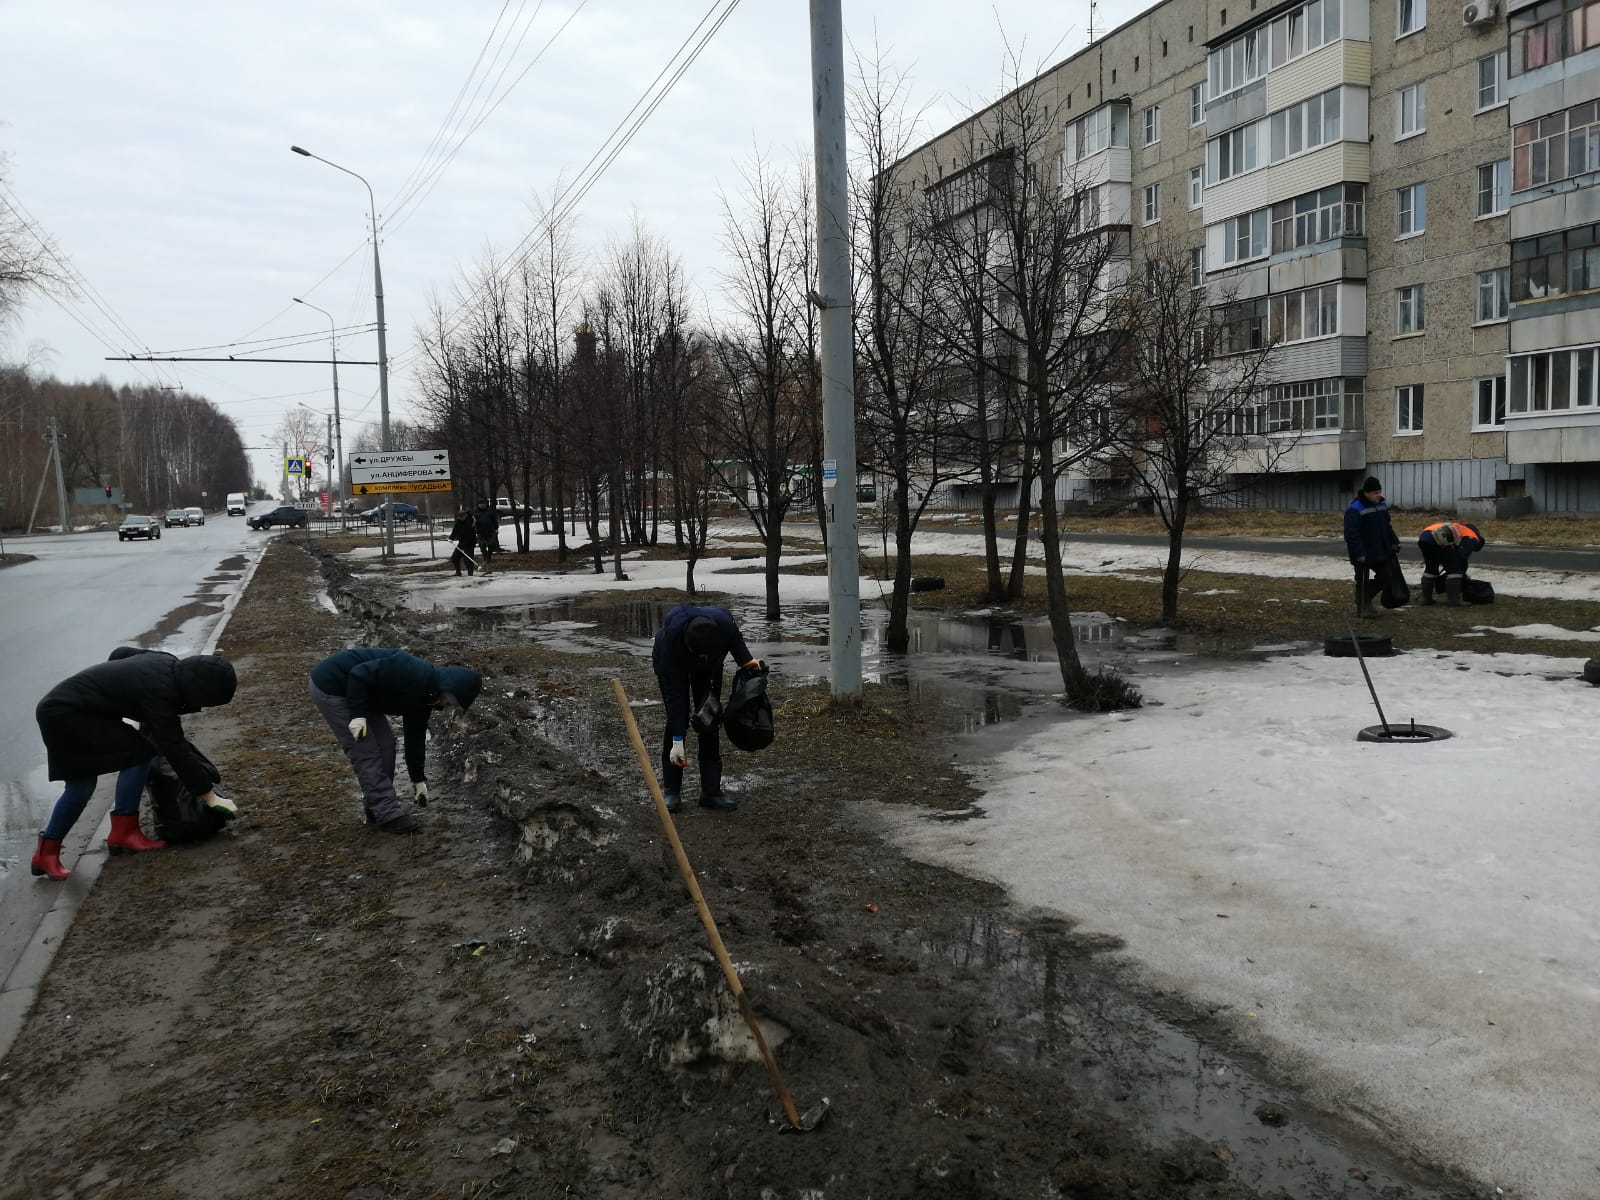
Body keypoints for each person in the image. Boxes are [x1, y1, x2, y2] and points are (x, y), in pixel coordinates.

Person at [32, 648, 238, 881]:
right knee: (129, 760)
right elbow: (174, 747)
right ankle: (120, 833)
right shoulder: (162, 693)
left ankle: (48, 852)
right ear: (198, 691)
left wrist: (114, 690)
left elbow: (120, 654)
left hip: (67, 709)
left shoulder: (166, 662)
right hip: (67, 714)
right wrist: (208, 796)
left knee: (86, 783)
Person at [308, 648, 482, 835]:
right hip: (333, 686)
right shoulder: (411, 672)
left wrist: (418, 779)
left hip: (363, 694)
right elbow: (358, 674)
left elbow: (415, 738)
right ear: (449, 686)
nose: (447, 706)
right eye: (450, 701)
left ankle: (376, 804)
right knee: (366, 752)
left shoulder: (426, 699)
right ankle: (388, 813)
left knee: (387, 745)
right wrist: (358, 716)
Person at [651, 604, 761, 814]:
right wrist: (677, 740)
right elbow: (675, 697)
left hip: (710, 668)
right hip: (674, 666)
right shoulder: (671, 643)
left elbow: (742, 654)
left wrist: (751, 667)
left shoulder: (724, 626)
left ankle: (711, 792)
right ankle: (672, 792)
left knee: (709, 718)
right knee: (678, 719)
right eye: (699, 654)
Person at [1343, 476, 1401, 619]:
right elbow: (1351, 535)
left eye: (1379, 492)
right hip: (1362, 552)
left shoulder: (1381, 506)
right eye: (1375, 492)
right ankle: (1363, 609)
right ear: (1366, 493)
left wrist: (1394, 541)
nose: (1378, 495)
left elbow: (1387, 527)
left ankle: (1364, 599)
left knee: (1387, 575)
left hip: (1380, 550)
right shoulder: (1354, 509)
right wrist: (1359, 553)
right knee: (1362, 580)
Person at [1417, 520, 1485, 607]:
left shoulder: (1459, 527)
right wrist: (1459, 569)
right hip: (1439, 537)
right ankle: (1454, 601)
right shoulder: (1471, 537)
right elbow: (1461, 557)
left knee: (1431, 568)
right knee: (1455, 569)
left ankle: (1426, 599)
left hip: (1425, 537)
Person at [448, 508, 478, 577]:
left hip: (470, 544)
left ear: (465, 516)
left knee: (468, 561)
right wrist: (451, 538)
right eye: (459, 516)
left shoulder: (470, 521)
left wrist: (467, 512)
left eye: (462, 516)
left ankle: (470, 574)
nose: (460, 518)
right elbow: (454, 531)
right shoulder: (458, 523)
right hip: (461, 543)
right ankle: (458, 572)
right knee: (454, 558)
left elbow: (472, 514)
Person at [472, 500, 500, 570]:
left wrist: (496, 528)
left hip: (490, 531)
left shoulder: (489, 511)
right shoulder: (475, 512)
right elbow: (472, 521)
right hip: (480, 532)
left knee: (491, 544)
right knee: (482, 545)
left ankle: (488, 557)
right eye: (481, 504)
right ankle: (486, 558)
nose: (482, 505)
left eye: (483, 504)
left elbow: (494, 520)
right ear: (478, 505)